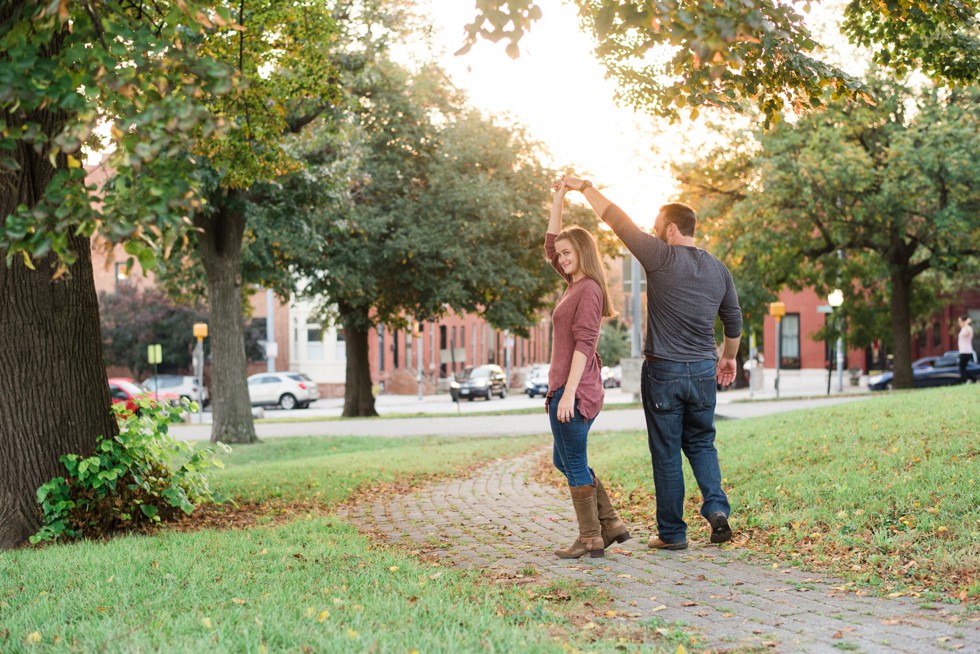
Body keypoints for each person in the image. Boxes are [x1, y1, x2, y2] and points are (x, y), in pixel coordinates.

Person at [561, 176, 742, 551]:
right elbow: (734, 319)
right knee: (703, 443)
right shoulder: (718, 269)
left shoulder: (661, 256)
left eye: (659, 229)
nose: (655, 234)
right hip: (704, 372)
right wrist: (728, 357)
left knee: (666, 452)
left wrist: (583, 187)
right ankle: (716, 509)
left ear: (671, 229)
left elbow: (617, 219)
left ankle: (673, 534)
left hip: (664, 372)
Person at [544, 179, 630, 559]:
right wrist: (560, 197)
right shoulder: (573, 283)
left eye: (567, 252)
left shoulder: (590, 289)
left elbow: (585, 343)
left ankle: (592, 536)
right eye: (560, 254)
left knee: (573, 462)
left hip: (574, 390)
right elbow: (549, 245)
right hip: (570, 388)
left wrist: (567, 392)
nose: (560, 259)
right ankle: (610, 523)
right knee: (563, 459)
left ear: (581, 251)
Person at [958, 315, 975, 384]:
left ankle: (966, 380)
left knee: (962, 367)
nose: (959, 323)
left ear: (963, 321)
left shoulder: (968, 328)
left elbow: (967, 334)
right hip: (963, 351)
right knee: (962, 367)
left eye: (960, 321)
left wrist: (966, 324)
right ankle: (973, 379)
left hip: (966, 351)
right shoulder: (964, 328)